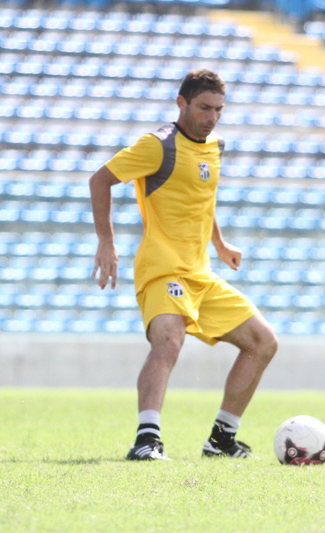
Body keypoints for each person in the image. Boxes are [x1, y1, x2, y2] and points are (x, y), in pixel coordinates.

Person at [89, 69, 278, 460]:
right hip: (164, 269)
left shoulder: (215, 146)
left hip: (201, 273)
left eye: (219, 110)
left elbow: (201, 199)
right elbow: (100, 180)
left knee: (264, 342)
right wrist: (106, 241)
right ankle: (147, 440)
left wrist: (220, 243)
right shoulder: (157, 145)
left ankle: (222, 439)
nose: (212, 117)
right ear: (181, 103)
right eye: (204, 108)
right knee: (169, 342)